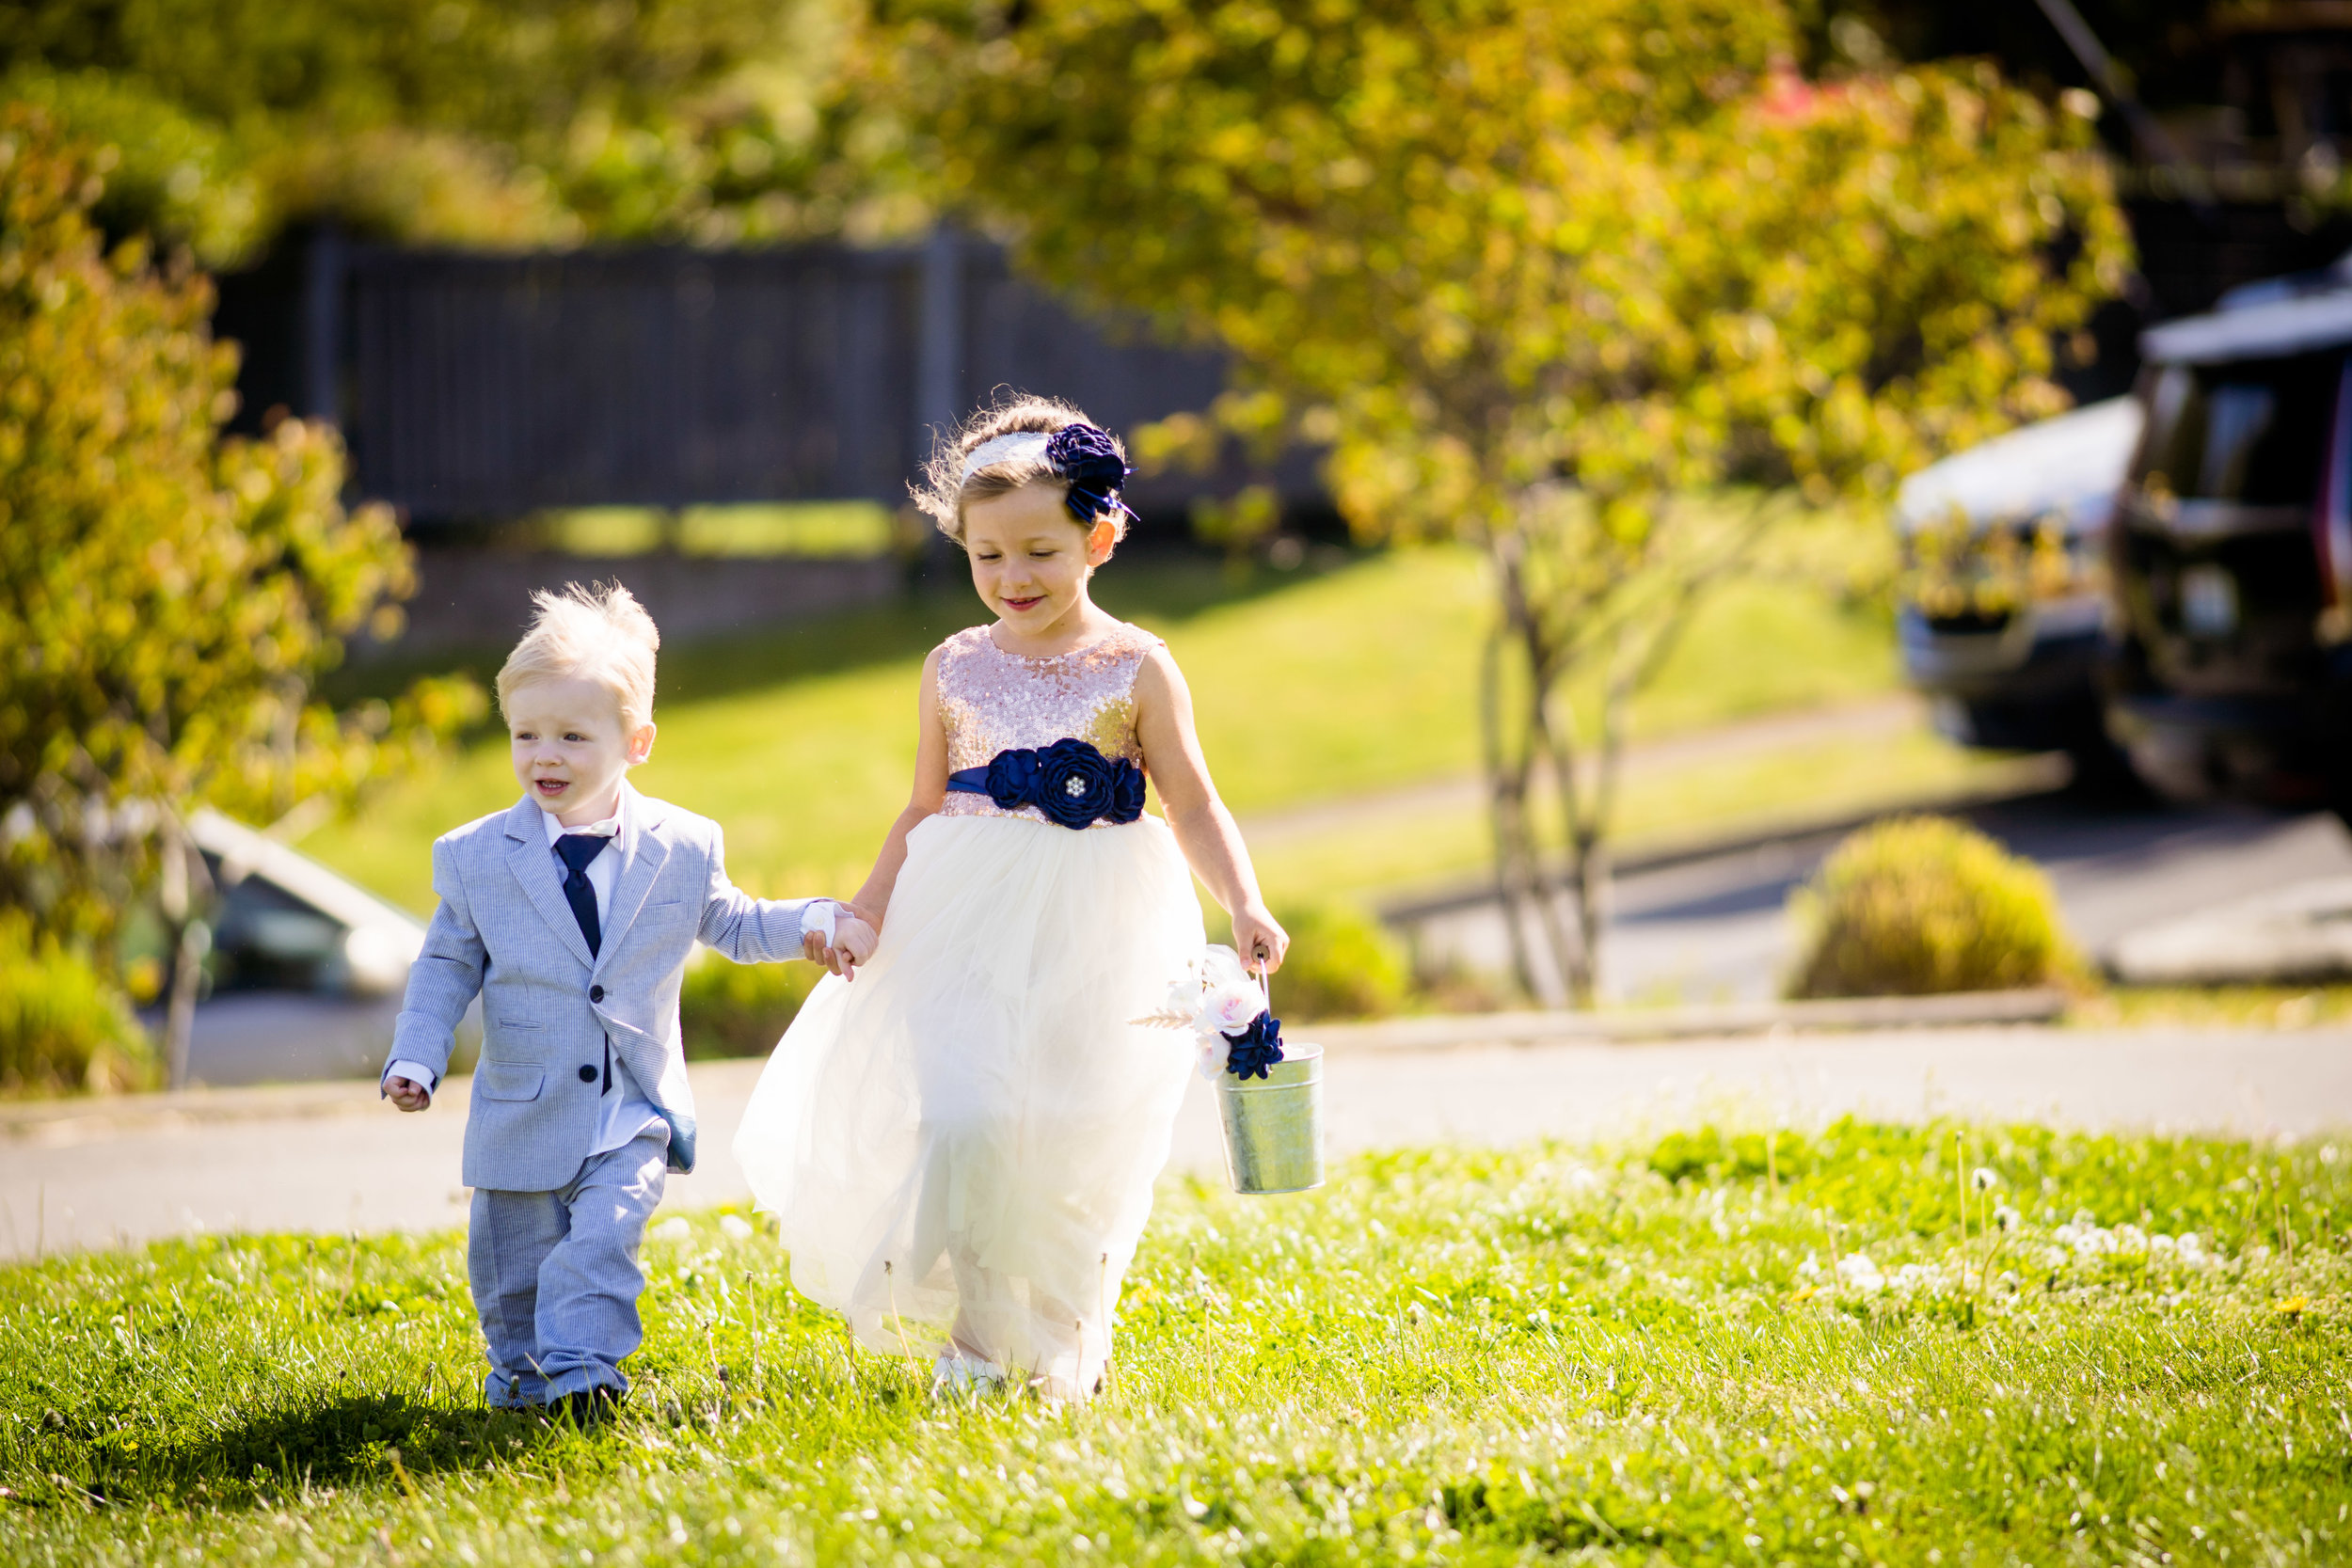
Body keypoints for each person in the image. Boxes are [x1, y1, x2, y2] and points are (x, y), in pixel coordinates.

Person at [734, 395, 1289, 1402]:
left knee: (1073, 1125)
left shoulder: (1137, 665)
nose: (1012, 577)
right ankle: (983, 1332)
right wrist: (866, 908)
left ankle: (1068, 1336)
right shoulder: (953, 664)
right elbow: (919, 806)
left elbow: (1194, 799)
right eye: (986, 556)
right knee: (968, 1118)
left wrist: (1243, 900)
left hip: (1099, 923)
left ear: (1100, 536)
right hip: (963, 919)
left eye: (1037, 549)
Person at [382, 582, 872, 1422]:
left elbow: (737, 921)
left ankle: (583, 1377)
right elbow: (443, 965)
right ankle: (524, 1375)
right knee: (511, 1270)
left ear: (635, 741)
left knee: (601, 1243)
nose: (547, 753)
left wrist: (817, 922)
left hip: (629, 1107)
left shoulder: (683, 847)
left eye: (574, 735)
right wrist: (415, 1055)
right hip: (523, 1110)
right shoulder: (474, 858)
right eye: (526, 734)